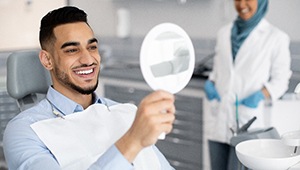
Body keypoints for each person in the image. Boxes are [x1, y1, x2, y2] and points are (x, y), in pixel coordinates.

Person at [3, 6, 176, 170]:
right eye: (72, 50)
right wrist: (133, 140)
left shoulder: (127, 113)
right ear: (47, 60)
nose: (88, 59)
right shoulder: (24, 131)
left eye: (92, 47)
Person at [204, 0, 292, 169]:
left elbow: (281, 80)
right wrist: (211, 83)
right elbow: (217, 71)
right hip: (220, 119)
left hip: (250, 121)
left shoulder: (276, 37)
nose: (242, 4)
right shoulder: (224, 33)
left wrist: (261, 94)